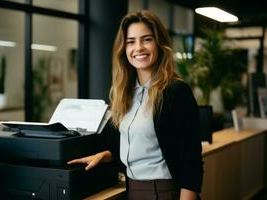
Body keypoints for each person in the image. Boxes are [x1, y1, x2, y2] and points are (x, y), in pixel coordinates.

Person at [68, 10, 203, 200]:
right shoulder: (125, 93)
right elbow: (133, 143)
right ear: (124, 48)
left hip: (164, 192)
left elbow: (192, 163)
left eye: (147, 39)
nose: (138, 47)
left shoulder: (176, 92)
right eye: (131, 41)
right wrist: (105, 155)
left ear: (159, 44)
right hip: (130, 190)